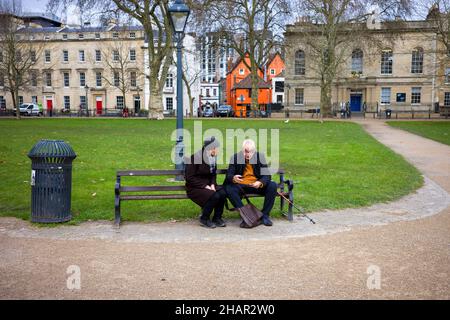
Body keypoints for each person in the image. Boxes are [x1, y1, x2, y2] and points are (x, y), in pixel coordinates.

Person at [224, 139, 277, 227]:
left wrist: (260, 182)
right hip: (241, 185)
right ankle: (247, 216)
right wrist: (233, 178)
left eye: (251, 152)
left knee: (272, 185)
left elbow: (267, 175)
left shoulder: (260, 157)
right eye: (246, 151)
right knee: (230, 188)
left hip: (256, 185)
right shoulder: (235, 157)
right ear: (242, 150)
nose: (248, 154)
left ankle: (265, 216)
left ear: (254, 151)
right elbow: (229, 174)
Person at [185, 136, 227, 228]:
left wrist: (212, 184)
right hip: (194, 187)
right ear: (211, 148)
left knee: (223, 193)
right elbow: (189, 177)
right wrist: (205, 186)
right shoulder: (196, 157)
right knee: (214, 195)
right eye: (217, 148)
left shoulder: (212, 157)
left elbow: (213, 174)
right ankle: (204, 218)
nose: (218, 150)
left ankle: (217, 218)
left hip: (208, 185)